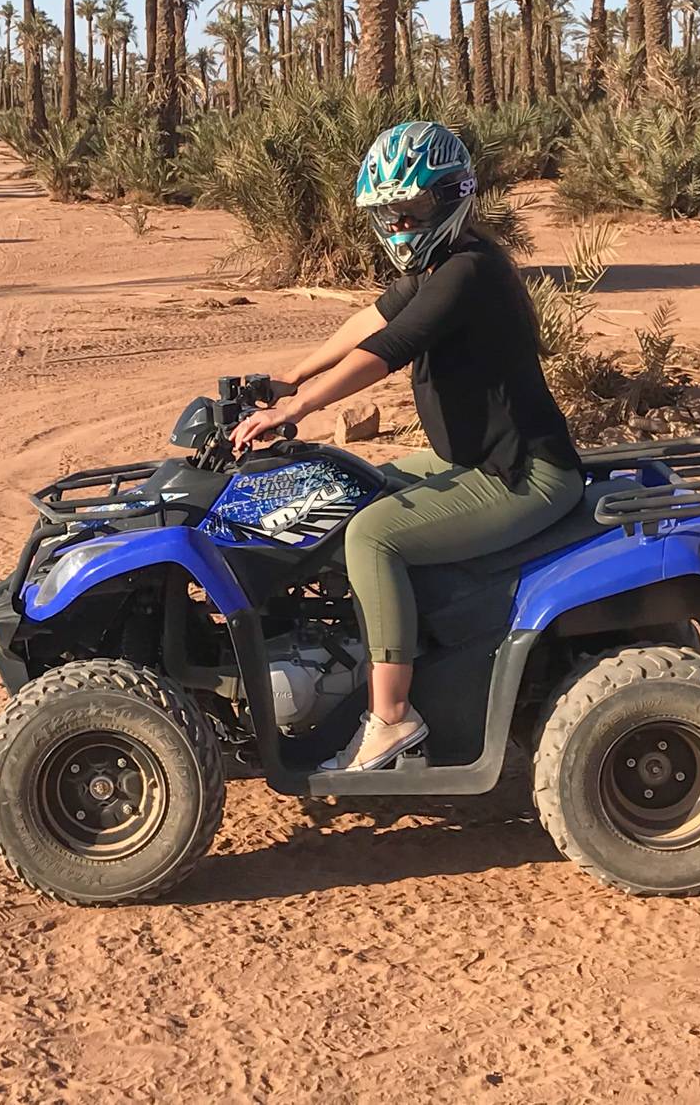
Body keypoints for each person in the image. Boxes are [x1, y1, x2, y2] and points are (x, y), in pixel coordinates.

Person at [231, 121, 583, 772]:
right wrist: (293, 376)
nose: (397, 227)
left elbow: (389, 350)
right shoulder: (439, 265)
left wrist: (300, 408)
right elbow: (371, 319)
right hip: (472, 462)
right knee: (358, 485)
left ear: (452, 198)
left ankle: (392, 720)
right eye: (387, 215)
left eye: (410, 211)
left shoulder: (469, 272)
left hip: (524, 476)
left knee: (372, 537)